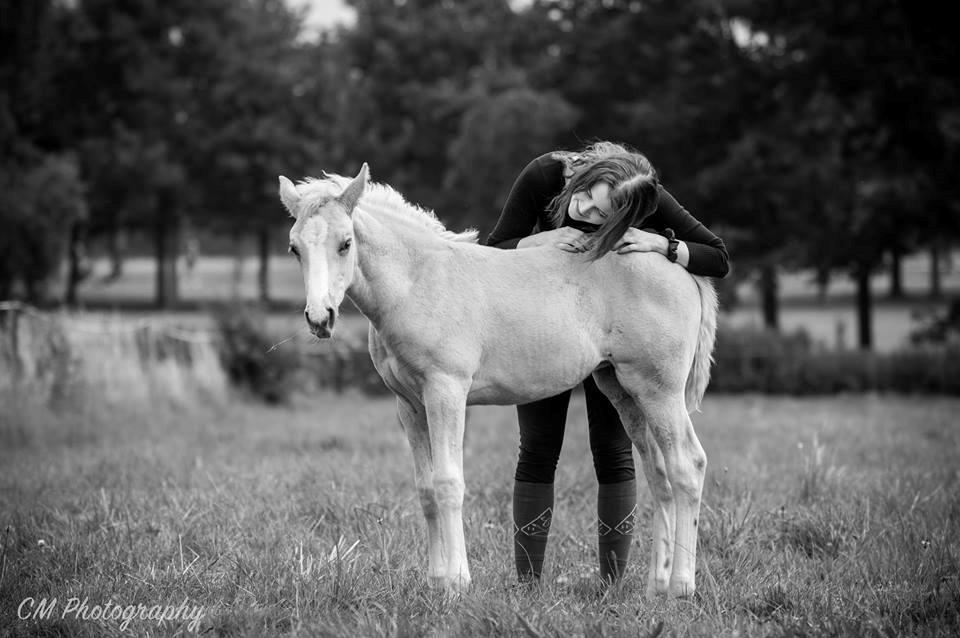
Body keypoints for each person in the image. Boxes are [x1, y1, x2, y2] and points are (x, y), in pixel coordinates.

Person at [484, 141, 729, 584]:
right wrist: (541, 240)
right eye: (586, 199)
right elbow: (493, 248)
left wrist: (660, 242)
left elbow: (717, 255)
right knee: (538, 446)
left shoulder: (643, 196)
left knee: (615, 450)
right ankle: (527, 583)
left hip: (613, 319)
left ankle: (613, 582)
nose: (585, 213)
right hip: (537, 326)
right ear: (587, 176)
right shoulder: (544, 175)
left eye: (601, 216)